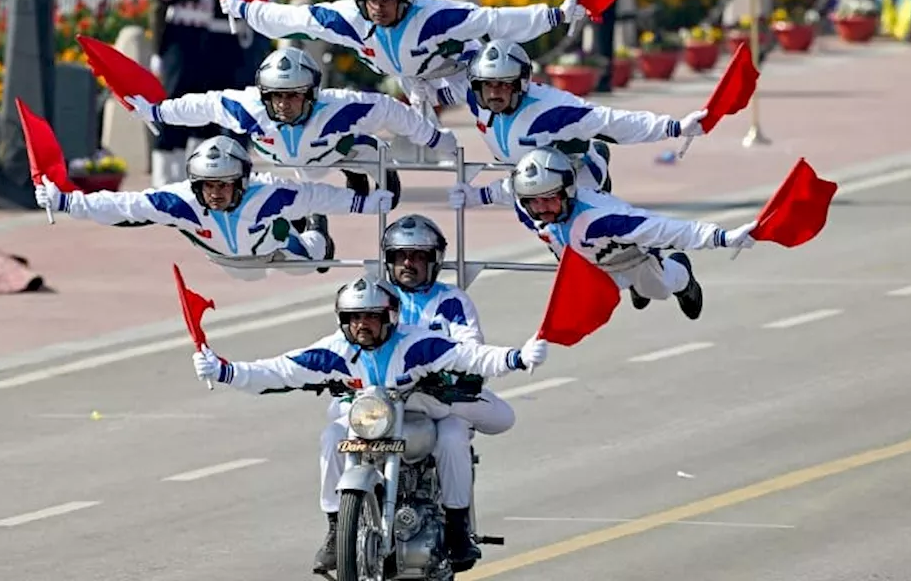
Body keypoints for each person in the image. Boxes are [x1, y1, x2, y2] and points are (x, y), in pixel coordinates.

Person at [191, 275, 548, 573]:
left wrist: (516, 356)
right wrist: (224, 370)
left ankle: (456, 527)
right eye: (353, 318)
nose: (362, 325)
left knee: (453, 433)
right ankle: (336, 528)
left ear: (390, 317)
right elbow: (278, 369)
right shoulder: (334, 350)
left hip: (420, 409)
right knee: (332, 436)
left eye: (372, 316)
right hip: (371, 416)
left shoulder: (416, 344)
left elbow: (469, 355)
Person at [216, 0, 588, 122]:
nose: (378, 7)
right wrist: (244, 8)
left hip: (462, 69)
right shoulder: (346, 17)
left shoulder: (436, 17)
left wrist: (556, 14)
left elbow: (496, 20)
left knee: (504, 116)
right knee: (421, 132)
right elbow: (290, 18)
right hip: (409, 79)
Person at [128, 47, 458, 225]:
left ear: (312, 95)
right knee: (294, 205)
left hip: (337, 150)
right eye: (276, 96)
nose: (284, 105)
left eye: (294, 96)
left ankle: (361, 163)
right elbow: (202, 106)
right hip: (289, 163)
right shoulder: (248, 106)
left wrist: (434, 139)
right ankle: (315, 229)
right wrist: (157, 112)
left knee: (372, 174)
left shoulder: (338, 107)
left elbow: (391, 110)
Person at [33, 137, 395, 280]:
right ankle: (288, 228)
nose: (216, 193)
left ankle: (312, 230)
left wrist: (366, 203)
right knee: (249, 275)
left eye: (224, 184)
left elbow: (319, 194)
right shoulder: (182, 202)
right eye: (208, 185)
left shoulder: (267, 192)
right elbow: (125, 206)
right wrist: (66, 201)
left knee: (307, 264)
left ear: (241, 182)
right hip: (230, 261)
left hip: (270, 247)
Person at [448, 40, 708, 210]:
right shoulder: (474, 97)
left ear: (521, 84)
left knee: (596, 239)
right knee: (551, 231)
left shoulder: (553, 110)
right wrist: (420, 91)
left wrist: (674, 127)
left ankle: (673, 271)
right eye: (488, 85)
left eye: (504, 85)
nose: (494, 94)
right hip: (530, 185)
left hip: (578, 178)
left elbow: (612, 121)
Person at [503, 146, 757, 316]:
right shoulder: (528, 208)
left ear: (567, 191)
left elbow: (666, 230)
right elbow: (503, 191)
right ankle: (595, 163)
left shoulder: (603, 218)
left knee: (658, 289)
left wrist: (722, 237)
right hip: (588, 264)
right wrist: (471, 195)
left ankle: (682, 275)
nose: (541, 207)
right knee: (584, 308)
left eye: (548, 199)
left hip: (630, 255)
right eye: (533, 201)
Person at [378, 213, 515, 436]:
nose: (407, 263)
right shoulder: (376, 296)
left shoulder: (452, 300)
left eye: (418, 256)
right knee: (335, 432)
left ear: (434, 260)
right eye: (400, 255)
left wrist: (451, 378)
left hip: (439, 395)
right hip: (383, 395)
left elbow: (470, 347)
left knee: (457, 434)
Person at [149, 0, 249, 186]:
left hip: (201, 40)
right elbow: (159, 6)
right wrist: (158, 49)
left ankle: (192, 173)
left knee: (198, 106)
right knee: (174, 104)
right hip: (179, 38)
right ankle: (165, 177)